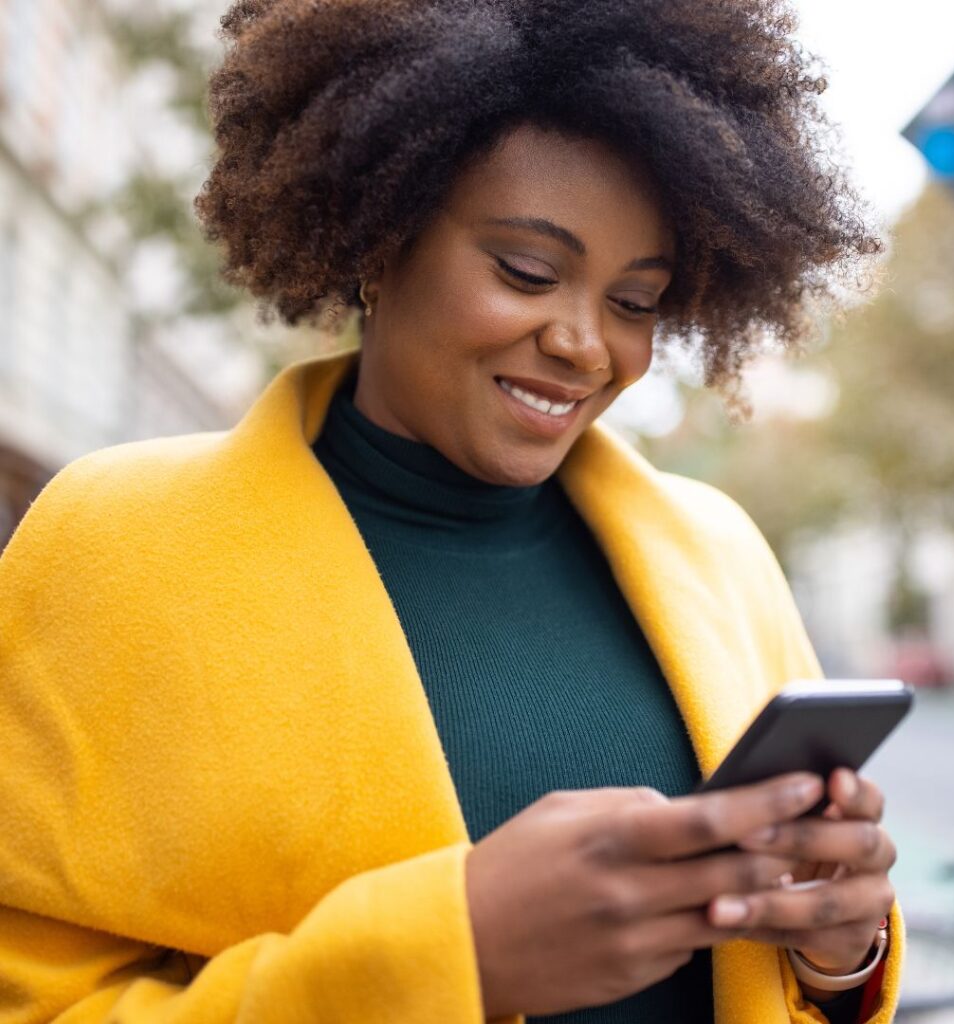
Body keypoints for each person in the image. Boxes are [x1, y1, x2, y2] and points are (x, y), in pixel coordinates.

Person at [0, 0, 901, 1022]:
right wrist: (450, 957)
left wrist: (837, 956)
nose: (583, 344)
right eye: (528, 271)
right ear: (380, 243)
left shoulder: (722, 555)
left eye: (634, 302)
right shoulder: (116, 540)